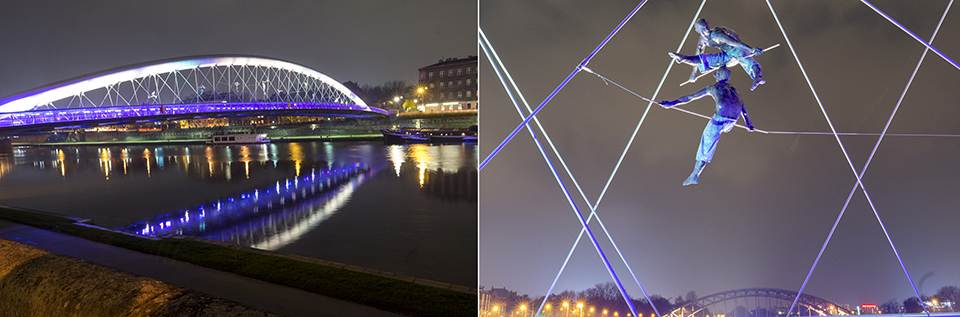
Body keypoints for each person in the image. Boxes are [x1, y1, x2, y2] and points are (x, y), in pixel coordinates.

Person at [659, 66, 754, 186]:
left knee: (706, 144)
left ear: (718, 76)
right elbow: (743, 109)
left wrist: (672, 103)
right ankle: (695, 174)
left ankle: (695, 174)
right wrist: (748, 123)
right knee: (713, 137)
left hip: (720, 120)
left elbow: (691, 97)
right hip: (732, 122)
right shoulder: (736, 90)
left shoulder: (713, 87)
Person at [668, 19, 766, 91]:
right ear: (697, 30)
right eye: (702, 28)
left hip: (735, 50)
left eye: (706, 26)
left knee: (745, 58)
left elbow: (734, 43)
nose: (705, 29)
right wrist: (693, 73)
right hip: (726, 56)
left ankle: (757, 77)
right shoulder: (702, 40)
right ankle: (683, 58)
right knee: (704, 59)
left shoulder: (717, 34)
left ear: (708, 24)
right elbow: (698, 54)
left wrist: (751, 49)